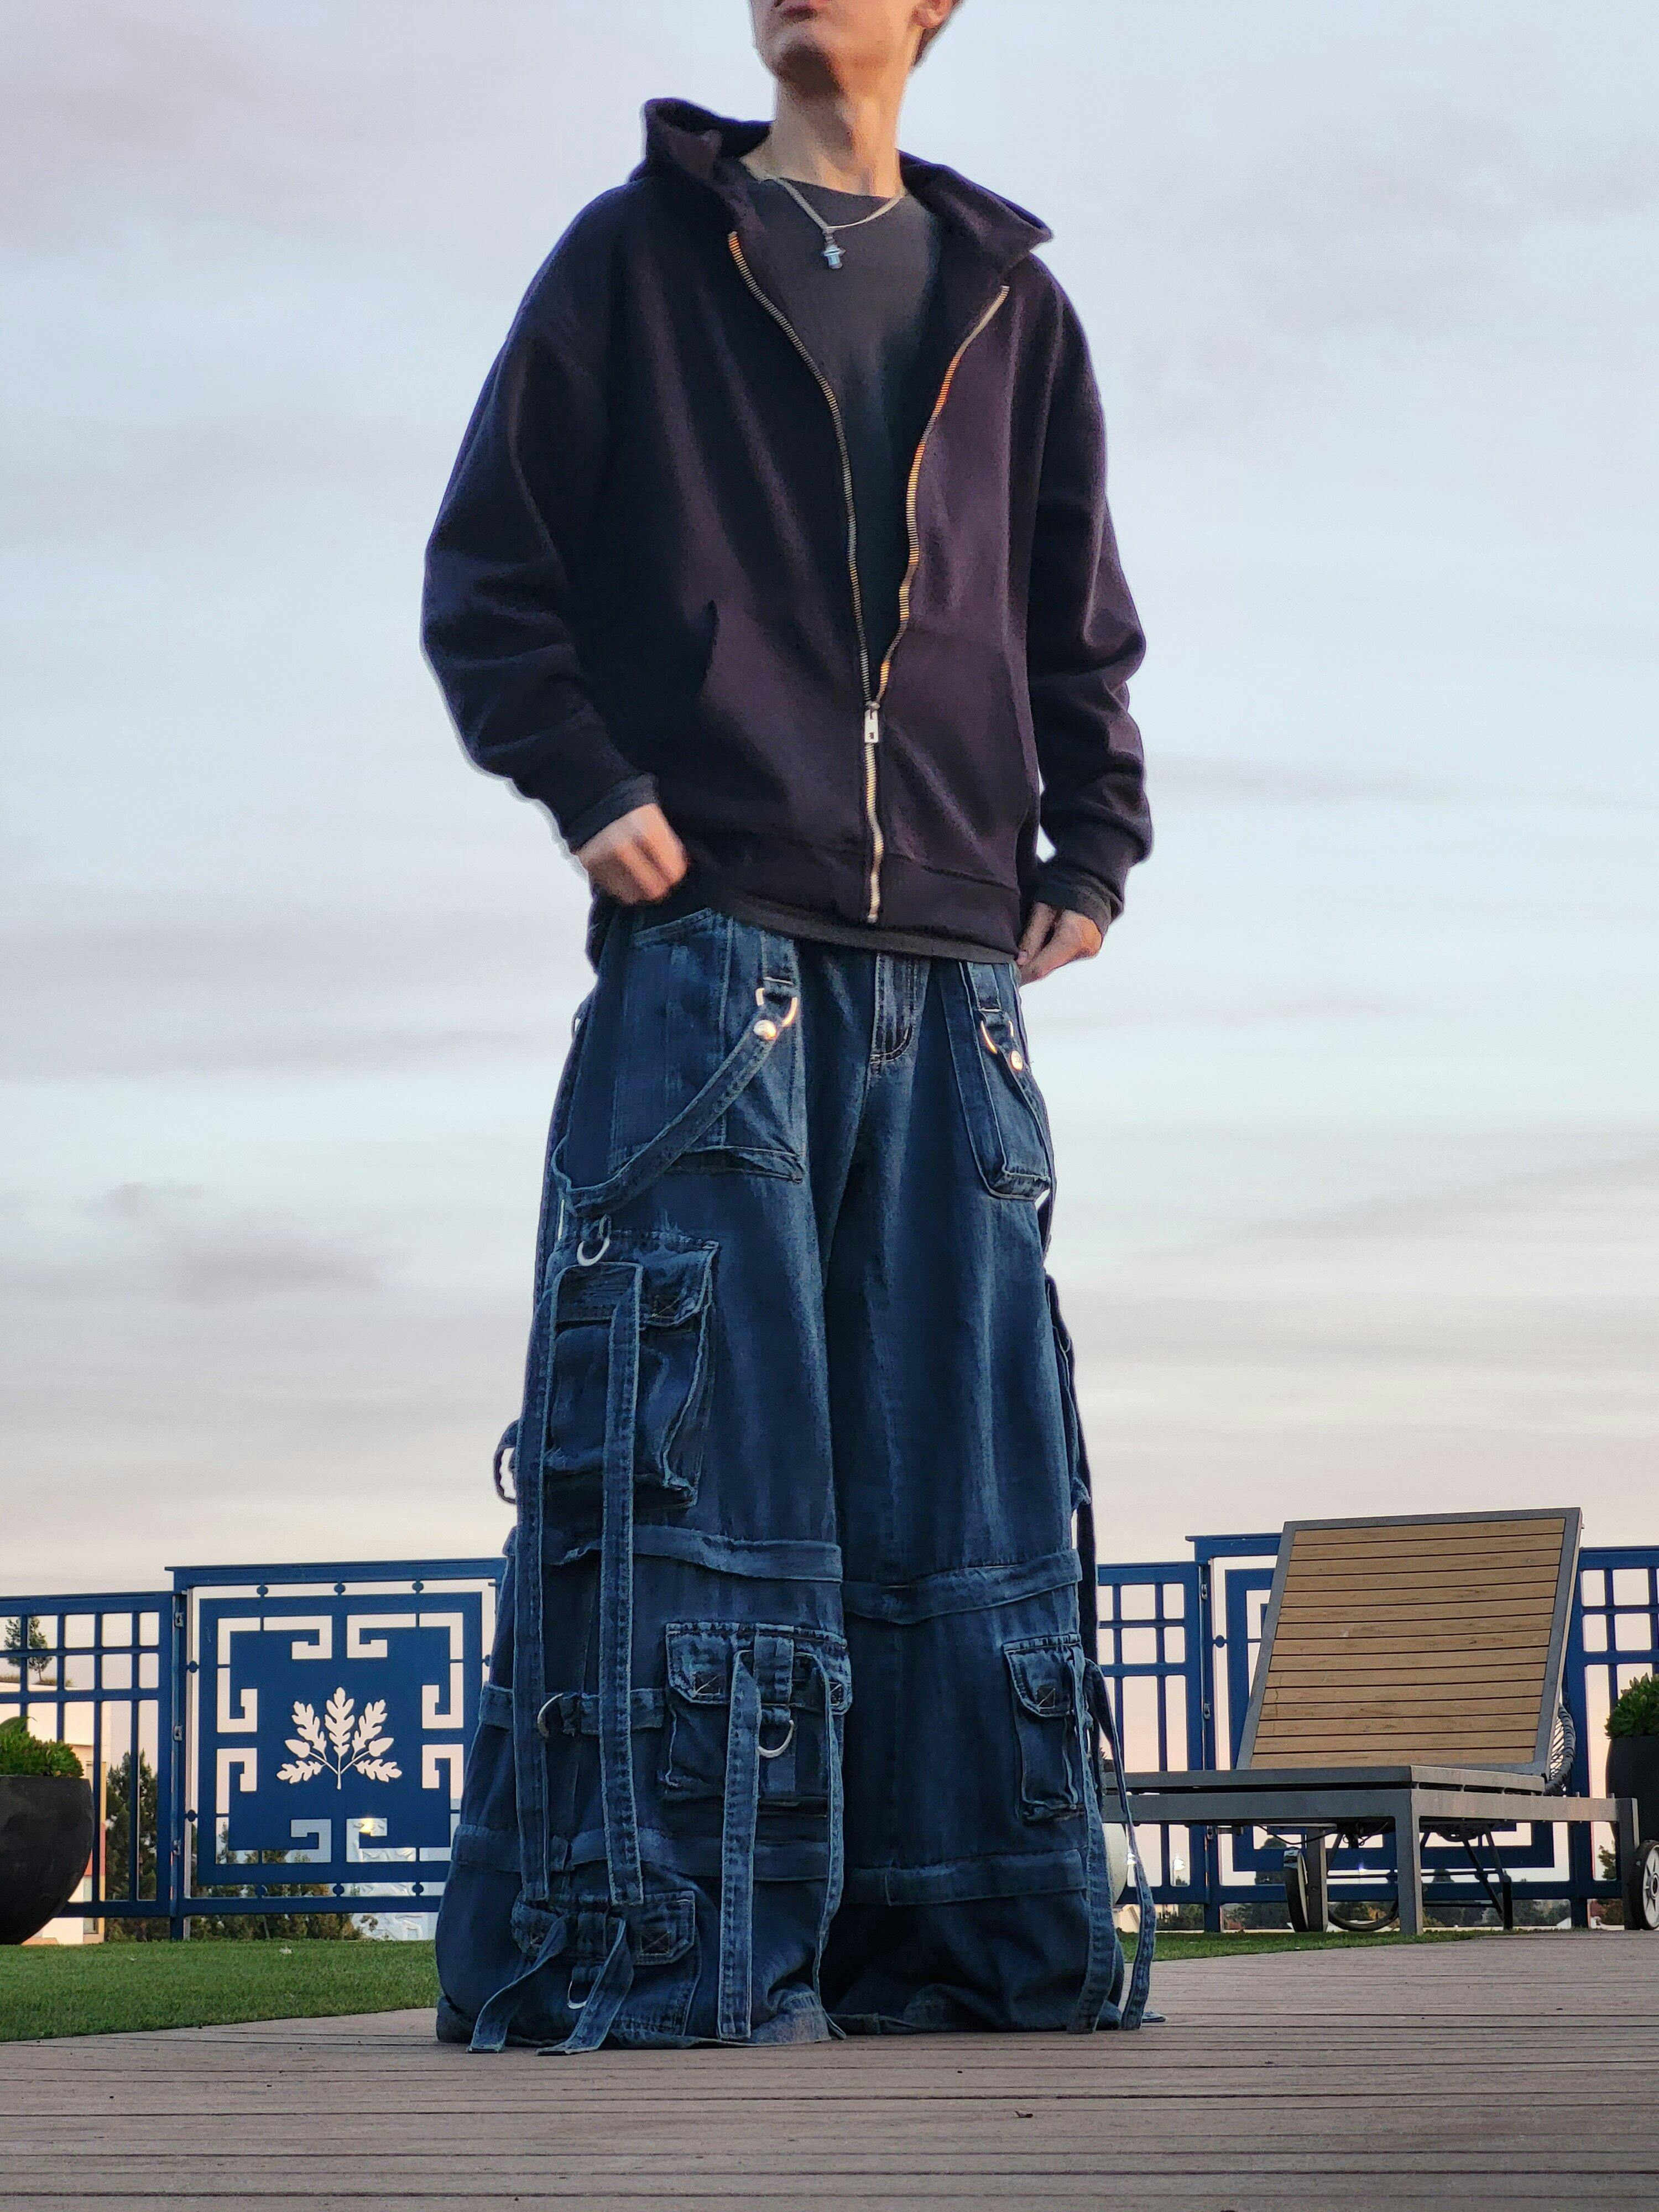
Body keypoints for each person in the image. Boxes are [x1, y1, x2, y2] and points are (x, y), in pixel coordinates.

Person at [422, 0, 1154, 2052]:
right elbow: (491, 573)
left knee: (965, 1483)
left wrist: (1095, 849)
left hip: (955, 978)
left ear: (933, 13)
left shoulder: (1015, 306)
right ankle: (674, 1964)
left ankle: (960, 1952)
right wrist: (591, 784)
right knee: (691, 1486)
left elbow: (1076, 616)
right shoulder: (635, 259)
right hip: (712, 953)